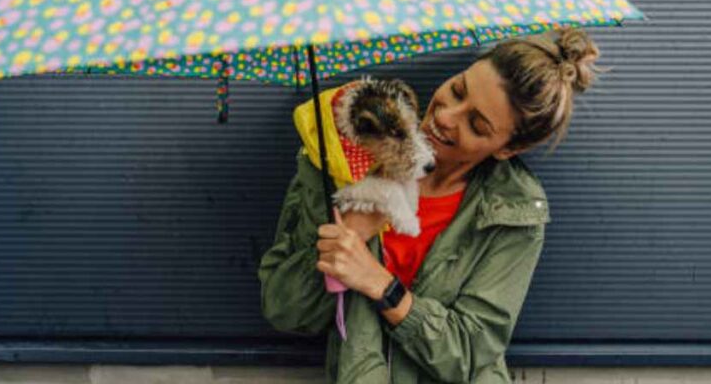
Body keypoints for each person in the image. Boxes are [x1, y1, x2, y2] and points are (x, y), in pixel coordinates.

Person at [258, 26, 605, 384]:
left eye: (476, 124)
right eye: (457, 90)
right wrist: (349, 233)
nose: (445, 117)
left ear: (506, 149)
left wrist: (382, 286)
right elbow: (285, 311)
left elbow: (470, 354)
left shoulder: (513, 211)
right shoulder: (345, 160)